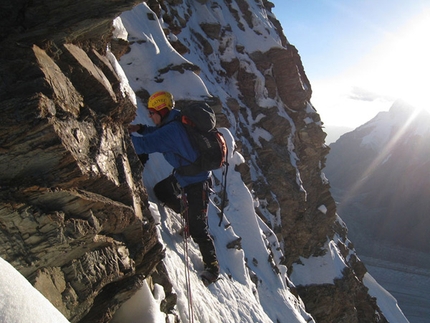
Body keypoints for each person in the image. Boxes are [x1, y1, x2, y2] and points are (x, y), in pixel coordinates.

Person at [128, 91, 219, 284]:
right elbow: (159, 132)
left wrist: (118, 131)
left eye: (152, 112)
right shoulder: (176, 117)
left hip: (197, 183)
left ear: (161, 110)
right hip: (184, 177)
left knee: (198, 228)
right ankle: (186, 212)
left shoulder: (172, 129)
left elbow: (143, 145)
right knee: (162, 191)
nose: (151, 116)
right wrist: (141, 128)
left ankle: (212, 267)